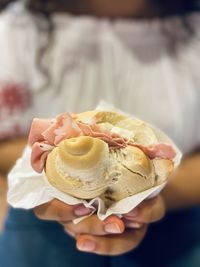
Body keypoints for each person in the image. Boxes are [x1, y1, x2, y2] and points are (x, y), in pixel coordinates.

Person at [0, 0, 200, 266]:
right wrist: (62, 186)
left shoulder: (193, 32)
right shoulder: (20, 30)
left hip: (180, 230)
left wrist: (149, 196)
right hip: (41, 233)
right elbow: (4, 144)